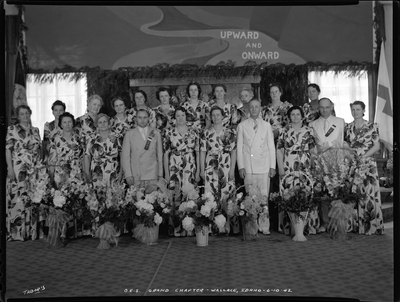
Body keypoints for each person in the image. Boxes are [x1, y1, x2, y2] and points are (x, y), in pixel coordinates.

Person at [276, 106, 319, 235]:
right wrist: (280, 168)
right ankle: (290, 227)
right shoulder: (284, 131)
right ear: (289, 117)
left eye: (298, 114)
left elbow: (313, 151)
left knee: (306, 192)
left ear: (302, 116)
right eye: (293, 114)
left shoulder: (309, 131)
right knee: (289, 193)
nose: (295, 117)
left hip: (304, 163)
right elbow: (279, 150)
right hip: (288, 163)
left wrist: (314, 166)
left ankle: (308, 226)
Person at [237, 99, 276, 235]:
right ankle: (252, 225)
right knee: (250, 197)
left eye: (256, 107)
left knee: (264, 197)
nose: (254, 109)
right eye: (251, 107)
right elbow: (240, 148)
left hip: (264, 165)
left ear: (260, 108)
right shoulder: (242, 125)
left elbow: (271, 146)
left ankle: (264, 226)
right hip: (249, 166)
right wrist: (241, 166)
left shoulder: (266, 126)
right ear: (248, 109)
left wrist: (272, 166)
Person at [344, 101, 384, 235]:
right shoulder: (348, 127)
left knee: (368, 193)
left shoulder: (372, 126)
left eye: (358, 109)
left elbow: (377, 146)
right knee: (354, 192)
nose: (355, 112)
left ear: (363, 111)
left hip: (368, 163)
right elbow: (346, 144)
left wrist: (364, 156)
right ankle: (355, 226)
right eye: (353, 110)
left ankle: (370, 226)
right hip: (353, 163)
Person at [6, 105, 42, 241]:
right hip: (18, 168)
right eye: (22, 114)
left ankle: (31, 231)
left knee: (33, 198)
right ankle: (17, 232)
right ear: (18, 115)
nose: (25, 116)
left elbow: (39, 150)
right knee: (18, 198)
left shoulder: (35, 130)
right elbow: (8, 150)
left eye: (27, 113)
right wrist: (9, 168)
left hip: (34, 169)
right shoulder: (12, 130)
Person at [309, 97, 345, 233]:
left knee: (336, 192)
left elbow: (341, 142)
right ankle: (325, 222)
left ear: (332, 107)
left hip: (336, 161)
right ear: (318, 108)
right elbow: (312, 145)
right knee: (322, 193)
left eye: (327, 107)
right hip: (320, 162)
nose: (324, 110)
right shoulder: (312, 124)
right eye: (322, 107)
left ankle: (337, 222)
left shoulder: (340, 122)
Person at [163, 107, 200, 236]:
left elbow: (197, 152)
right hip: (174, 166)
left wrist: (198, 170)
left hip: (190, 166)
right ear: (174, 118)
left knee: (190, 195)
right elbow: (165, 154)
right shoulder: (169, 133)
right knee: (176, 196)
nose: (180, 118)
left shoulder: (193, 132)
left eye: (183, 115)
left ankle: (189, 227)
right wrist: (167, 174)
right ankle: (176, 228)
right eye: (178, 116)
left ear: (186, 116)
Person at [121, 109, 163, 187]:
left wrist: (160, 174)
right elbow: (125, 157)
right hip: (136, 175)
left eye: (145, 117)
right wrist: (128, 174)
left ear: (148, 118)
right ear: (136, 119)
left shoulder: (155, 133)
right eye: (140, 117)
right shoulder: (129, 134)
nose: (142, 120)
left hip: (152, 174)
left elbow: (159, 156)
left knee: (153, 198)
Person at [84, 113, 120, 188]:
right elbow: (87, 156)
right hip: (97, 173)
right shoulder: (91, 138)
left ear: (109, 123)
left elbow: (123, 156)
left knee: (114, 198)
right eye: (100, 122)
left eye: (105, 122)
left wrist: (122, 173)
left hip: (114, 172)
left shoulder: (117, 137)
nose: (103, 124)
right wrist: (87, 173)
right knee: (98, 196)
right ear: (96, 124)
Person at [48, 112, 83, 188]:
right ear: (61, 125)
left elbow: (83, 158)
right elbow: (52, 160)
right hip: (61, 174)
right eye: (64, 122)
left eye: (69, 122)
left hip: (76, 174)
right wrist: (51, 178)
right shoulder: (55, 139)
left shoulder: (79, 138)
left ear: (73, 123)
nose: (67, 124)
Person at [75, 94, 103, 162]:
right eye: (94, 104)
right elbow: (75, 139)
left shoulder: (103, 119)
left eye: (98, 105)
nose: (96, 107)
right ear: (88, 105)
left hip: (101, 154)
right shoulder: (80, 120)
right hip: (85, 155)